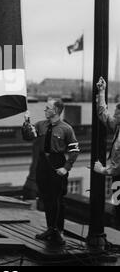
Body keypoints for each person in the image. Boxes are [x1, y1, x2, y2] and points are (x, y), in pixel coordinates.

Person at [22, 99, 80, 245]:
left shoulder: (66, 129)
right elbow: (28, 136)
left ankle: (58, 231)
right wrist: (26, 121)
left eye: (48, 108)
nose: (45, 110)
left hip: (57, 163)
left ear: (56, 110)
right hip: (43, 163)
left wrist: (66, 167)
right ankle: (50, 229)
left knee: (57, 199)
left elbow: (74, 150)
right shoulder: (41, 125)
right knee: (46, 198)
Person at [94, 76, 120, 228]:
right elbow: (103, 113)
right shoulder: (118, 126)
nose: (114, 117)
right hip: (117, 181)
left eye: (116, 115)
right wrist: (101, 92)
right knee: (117, 212)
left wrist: (102, 170)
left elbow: (118, 167)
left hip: (118, 177)